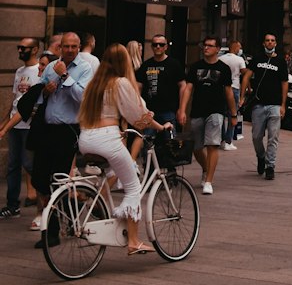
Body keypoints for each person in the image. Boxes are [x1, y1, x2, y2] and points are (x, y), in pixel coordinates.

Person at [77, 44, 172, 256]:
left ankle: (104, 209)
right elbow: (138, 114)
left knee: (113, 173)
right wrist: (161, 126)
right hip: (107, 139)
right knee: (133, 186)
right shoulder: (120, 83)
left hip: (86, 139)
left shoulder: (93, 84)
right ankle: (133, 241)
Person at [28, 31, 94, 235]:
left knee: (60, 179)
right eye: (66, 46)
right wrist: (45, 91)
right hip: (47, 129)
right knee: (38, 177)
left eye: (74, 47)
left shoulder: (85, 68)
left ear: (79, 46)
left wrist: (65, 75)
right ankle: (69, 211)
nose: (70, 50)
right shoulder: (50, 66)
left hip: (68, 130)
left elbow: (83, 98)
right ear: (60, 47)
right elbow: (40, 95)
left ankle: (54, 228)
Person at [178, 36, 237, 194]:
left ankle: (208, 181)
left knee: (212, 145)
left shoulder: (223, 68)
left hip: (216, 111)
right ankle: (206, 168)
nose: (206, 48)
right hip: (197, 111)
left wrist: (233, 114)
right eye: (205, 45)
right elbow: (188, 89)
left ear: (217, 49)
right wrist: (182, 109)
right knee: (197, 148)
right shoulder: (195, 67)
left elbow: (229, 92)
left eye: (210, 46)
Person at [1, 37, 41, 218]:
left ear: (34, 50)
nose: (20, 51)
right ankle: (12, 205)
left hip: (30, 126)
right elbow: (15, 100)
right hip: (15, 124)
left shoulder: (40, 70)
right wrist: (4, 122)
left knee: (29, 164)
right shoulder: (19, 71)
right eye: (18, 47)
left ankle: (45, 199)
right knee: (13, 165)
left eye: (23, 48)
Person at [241, 34, 288, 180]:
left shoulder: (280, 62)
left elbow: (284, 83)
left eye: (272, 40)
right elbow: (247, 76)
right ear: (263, 43)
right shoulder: (257, 59)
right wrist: (242, 96)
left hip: (274, 105)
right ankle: (261, 156)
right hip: (258, 105)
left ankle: (270, 166)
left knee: (273, 138)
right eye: (267, 40)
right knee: (256, 137)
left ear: (276, 43)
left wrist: (283, 105)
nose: (270, 42)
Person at [136, 36, 184, 128]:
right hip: (148, 111)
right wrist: (139, 107)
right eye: (155, 44)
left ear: (166, 47)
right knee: (148, 139)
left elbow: (183, 85)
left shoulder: (174, 64)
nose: (158, 47)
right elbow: (138, 87)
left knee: (169, 140)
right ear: (152, 46)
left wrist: (181, 109)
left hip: (168, 110)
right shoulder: (145, 65)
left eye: (161, 45)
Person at [219, 38, 246, 150]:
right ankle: (229, 141)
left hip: (221, 88)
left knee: (220, 114)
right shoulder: (239, 60)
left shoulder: (220, 59)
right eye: (239, 47)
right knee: (232, 115)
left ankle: (221, 139)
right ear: (235, 47)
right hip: (234, 88)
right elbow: (245, 74)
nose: (240, 49)